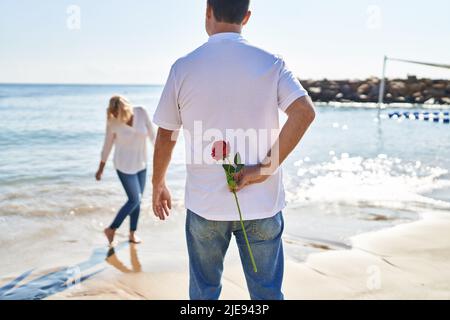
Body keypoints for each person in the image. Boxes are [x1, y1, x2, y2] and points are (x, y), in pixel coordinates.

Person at [152, 0, 315, 300]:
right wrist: (263, 170)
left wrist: (158, 183)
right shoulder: (271, 62)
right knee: (267, 295)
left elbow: (166, 134)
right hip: (263, 206)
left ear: (208, 11)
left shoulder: (183, 68)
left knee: (204, 295)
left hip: (205, 207)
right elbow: (304, 113)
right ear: (247, 17)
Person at [96, 95, 155, 245]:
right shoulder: (113, 122)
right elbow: (107, 145)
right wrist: (101, 168)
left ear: (125, 109)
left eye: (117, 113)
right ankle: (111, 229)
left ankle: (132, 234)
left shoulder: (141, 112)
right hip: (123, 166)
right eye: (113, 113)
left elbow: (153, 136)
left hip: (141, 164)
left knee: (138, 201)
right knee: (134, 199)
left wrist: (161, 157)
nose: (115, 116)